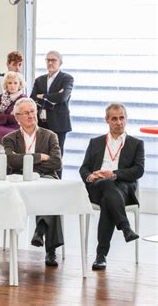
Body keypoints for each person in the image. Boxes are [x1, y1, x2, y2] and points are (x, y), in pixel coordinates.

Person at [79, 102, 143, 271]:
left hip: (122, 187)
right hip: (97, 186)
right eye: (114, 118)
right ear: (106, 120)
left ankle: (101, 256)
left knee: (109, 199)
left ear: (126, 119)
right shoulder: (96, 142)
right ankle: (125, 227)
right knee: (106, 186)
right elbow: (84, 168)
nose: (119, 122)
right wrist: (90, 175)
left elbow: (139, 170)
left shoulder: (136, 143)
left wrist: (114, 174)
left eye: (122, 118)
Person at [2, 98, 63, 267]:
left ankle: (49, 249)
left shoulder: (50, 135)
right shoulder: (9, 138)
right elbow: (11, 161)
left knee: (52, 195)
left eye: (33, 112)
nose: (31, 115)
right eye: (26, 113)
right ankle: (42, 231)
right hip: (19, 181)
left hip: (45, 178)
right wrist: (39, 157)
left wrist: (24, 160)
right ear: (17, 117)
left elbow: (56, 163)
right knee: (49, 198)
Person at [30, 50, 74, 172]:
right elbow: (32, 99)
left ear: (60, 62)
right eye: (48, 60)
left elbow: (62, 97)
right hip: (41, 122)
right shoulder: (40, 80)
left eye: (53, 60)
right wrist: (51, 98)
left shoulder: (66, 78)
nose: (50, 63)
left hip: (59, 123)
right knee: (41, 154)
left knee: (56, 156)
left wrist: (42, 96)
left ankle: (57, 182)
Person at [0, 71, 27, 143]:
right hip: (0, 127)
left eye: (15, 83)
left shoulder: (23, 99)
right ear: (6, 85)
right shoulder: (1, 97)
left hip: (15, 130)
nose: (12, 86)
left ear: (20, 84)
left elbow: (17, 119)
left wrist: (0, 116)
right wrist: (8, 116)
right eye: (9, 83)